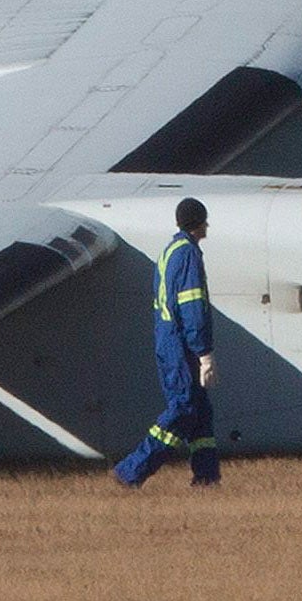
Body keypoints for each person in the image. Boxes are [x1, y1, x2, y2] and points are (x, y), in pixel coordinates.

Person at [114, 197, 220, 488]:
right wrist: (204, 353)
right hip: (181, 344)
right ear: (198, 222)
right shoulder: (188, 254)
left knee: (200, 412)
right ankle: (132, 470)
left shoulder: (169, 251)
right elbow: (192, 307)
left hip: (167, 339)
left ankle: (207, 477)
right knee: (184, 408)